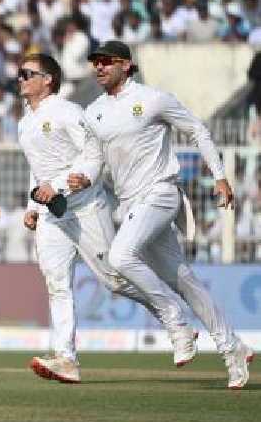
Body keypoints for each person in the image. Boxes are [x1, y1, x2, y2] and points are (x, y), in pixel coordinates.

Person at [80, 40, 254, 389]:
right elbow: (94, 159)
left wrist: (220, 176)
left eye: (105, 61)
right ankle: (232, 347)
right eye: (94, 62)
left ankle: (174, 320)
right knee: (183, 279)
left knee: (120, 255)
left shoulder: (153, 98)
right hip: (129, 204)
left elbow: (197, 130)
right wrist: (81, 177)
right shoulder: (94, 111)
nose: (98, 67)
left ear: (126, 65)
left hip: (160, 193)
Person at [17, 52, 190, 384]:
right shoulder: (25, 121)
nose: (21, 79)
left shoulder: (68, 112)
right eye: (20, 74)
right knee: (57, 284)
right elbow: (38, 168)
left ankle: (172, 315)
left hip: (84, 207)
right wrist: (34, 206)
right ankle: (66, 359)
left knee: (114, 280)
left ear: (47, 79)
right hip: (52, 214)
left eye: (27, 73)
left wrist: (71, 180)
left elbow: (91, 155)